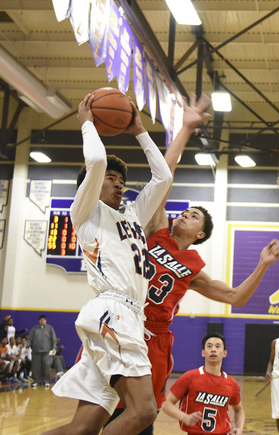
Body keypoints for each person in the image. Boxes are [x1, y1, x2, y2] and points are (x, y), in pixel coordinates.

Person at [106, 94, 279, 435]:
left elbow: (234, 297)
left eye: (194, 215)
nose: (185, 213)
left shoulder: (192, 267)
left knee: (144, 415)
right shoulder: (157, 229)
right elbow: (164, 176)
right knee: (104, 404)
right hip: (123, 321)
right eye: (186, 211)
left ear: (200, 234)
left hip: (155, 339)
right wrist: (185, 129)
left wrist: (262, 265)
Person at [46, 92, 172, 435]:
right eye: (111, 180)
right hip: (112, 313)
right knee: (144, 411)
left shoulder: (131, 215)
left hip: (126, 317)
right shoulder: (85, 211)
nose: (118, 184)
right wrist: (88, 123)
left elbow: (163, 179)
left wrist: (140, 131)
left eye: (121, 181)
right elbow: (98, 162)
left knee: (82, 429)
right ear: (88, 186)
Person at [162, 332, 244, 435]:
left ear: (224, 353)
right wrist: (184, 417)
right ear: (203, 352)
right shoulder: (190, 377)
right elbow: (166, 404)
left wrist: (239, 428)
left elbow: (239, 410)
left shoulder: (232, 384)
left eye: (218, 346)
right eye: (209, 346)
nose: (213, 349)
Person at [29, 315, 57, 388]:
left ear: (46, 320)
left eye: (44, 320)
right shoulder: (34, 329)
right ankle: (37, 381)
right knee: (36, 367)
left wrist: (54, 347)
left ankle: (46, 381)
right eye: (41, 320)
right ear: (39, 321)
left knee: (46, 366)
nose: (42, 321)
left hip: (46, 351)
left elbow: (54, 339)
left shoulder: (50, 328)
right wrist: (27, 346)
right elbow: (30, 338)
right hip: (36, 351)